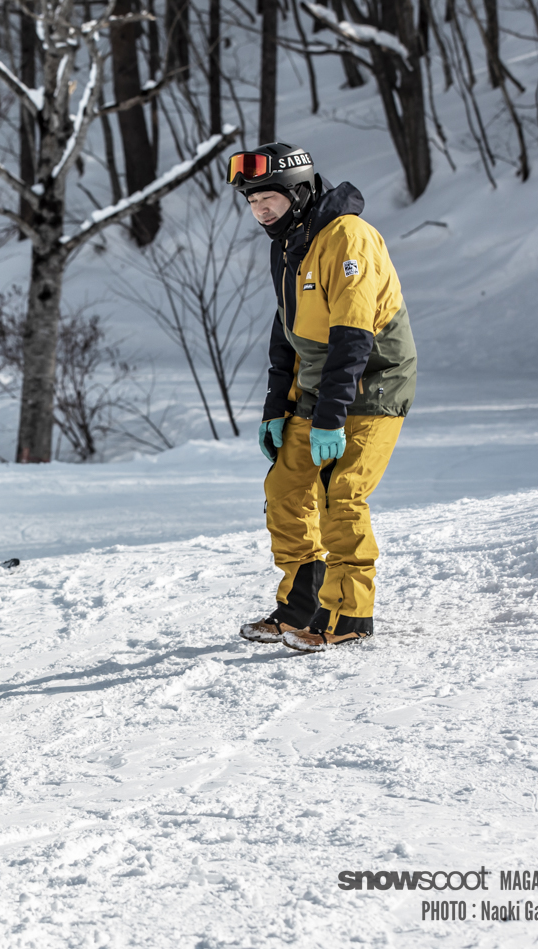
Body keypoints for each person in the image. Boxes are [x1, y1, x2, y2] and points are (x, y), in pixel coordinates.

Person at [229, 143, 418, 652]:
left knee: (342, 492)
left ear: (299, 192)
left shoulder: (348, 237)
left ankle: (350, 614)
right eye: (252, 202)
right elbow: (285, 330)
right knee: (286, 489)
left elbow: (353, 337)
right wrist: (276, 408)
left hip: (372, 381)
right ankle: (302, 604)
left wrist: (330, 418)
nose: (260, 210)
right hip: (320, 381)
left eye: (268, 197)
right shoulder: (288, 242)